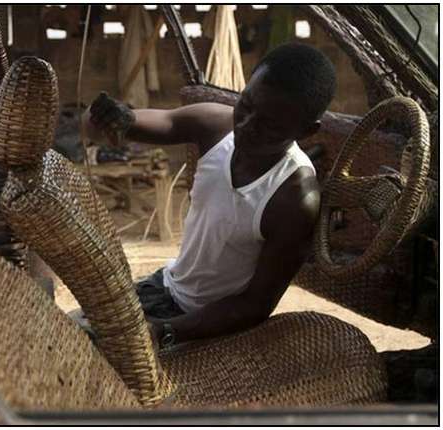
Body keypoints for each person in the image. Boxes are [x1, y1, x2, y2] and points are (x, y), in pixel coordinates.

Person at [83, 42, 336, 348]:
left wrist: (164, 332)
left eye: (269, 126)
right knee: (67, 334)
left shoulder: (293, 199)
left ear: (307, 131)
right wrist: (115, 118)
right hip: (163, 287)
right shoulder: (217, 125)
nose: (245, 125)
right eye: (246, 105)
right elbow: (157, 122)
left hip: (206, 327)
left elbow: (254, 306)